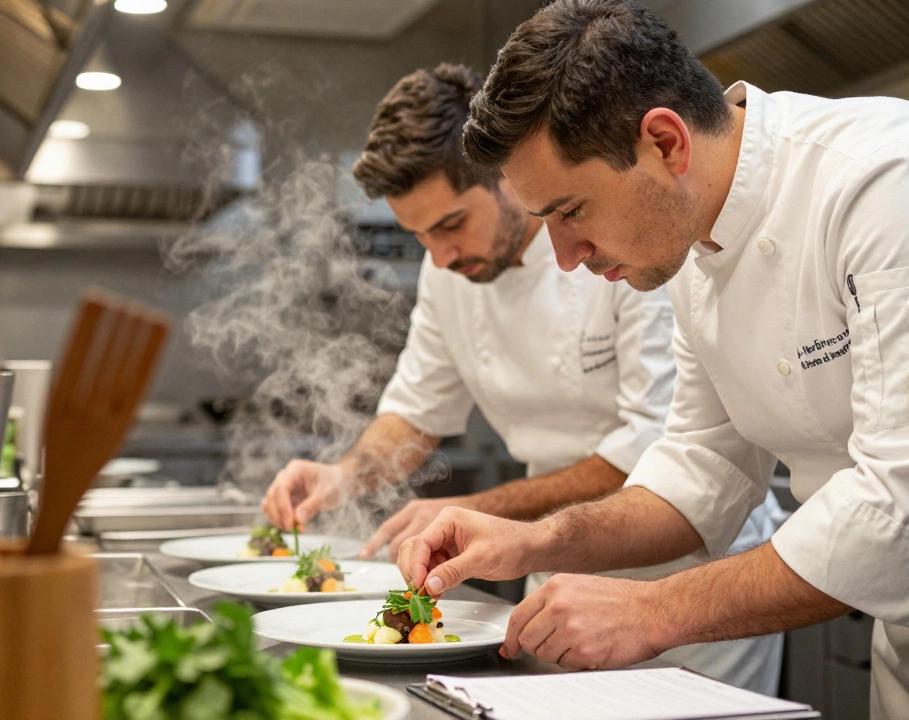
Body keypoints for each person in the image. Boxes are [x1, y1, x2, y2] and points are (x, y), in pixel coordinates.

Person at [395, 2, 909, 718]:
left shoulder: (897, 182)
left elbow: (908, 510)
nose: (566, 257)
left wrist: (653, 611)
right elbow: (703, 469)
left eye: (571, 212)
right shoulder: (694, 243)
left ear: (665, 143)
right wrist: (538, 539)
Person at [260, 63, 785, 694]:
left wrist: (479, 512)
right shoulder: (448, 273)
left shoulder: (622, 246)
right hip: (558, 568)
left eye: (451, 224)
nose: (441, 256)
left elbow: (650, 450)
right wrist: (344, 475)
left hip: (689, 580)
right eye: (419, 235)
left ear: (506, 178)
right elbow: (417, 411)